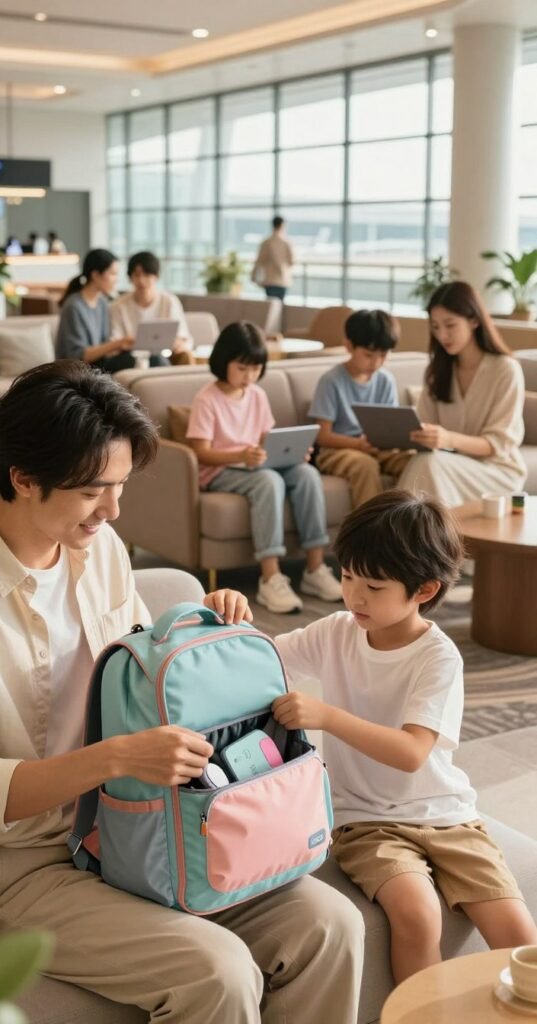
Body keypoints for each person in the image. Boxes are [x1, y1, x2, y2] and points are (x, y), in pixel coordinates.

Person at [0, 360, 364, 1024]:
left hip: (141, 828)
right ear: (23, 479)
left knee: (331, 927)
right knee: (217, 974)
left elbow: (139, 675)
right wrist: (115, 759)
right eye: (93, 492)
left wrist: (203, 630)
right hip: (16, 863)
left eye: (118, 487)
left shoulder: (101, 549)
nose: (114, 511)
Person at [272, 490, 537, 984]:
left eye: (372, 585)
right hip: (365, 821)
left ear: (423, 590)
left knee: (520, 936)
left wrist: (326, 715)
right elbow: (259, 655)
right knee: (417, 915)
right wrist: (226, 613)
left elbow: (413, 752)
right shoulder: (335, 631)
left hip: (447, 814)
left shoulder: (438, 658)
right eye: (348, 575)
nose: (354, 596)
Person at [186, 321, 342, 613]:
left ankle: (315, 569)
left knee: (307, 474)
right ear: (223, 361)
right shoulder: (207, 399)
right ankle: (270, 577)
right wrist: (241, 457)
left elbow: (266, 438)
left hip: (256, 463)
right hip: (221, 471)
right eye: (243, 368)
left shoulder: (257, 395)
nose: (250, 376)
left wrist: (292, 452)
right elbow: (201, 452)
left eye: (256, 369)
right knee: (268, 481)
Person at [397, 281, 526, 505]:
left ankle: (399, 536)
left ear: (474, 321)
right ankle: (417, 537)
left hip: (497, 471)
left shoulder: (505, 370)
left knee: (429, 465)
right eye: (435, 327)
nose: (442, 335)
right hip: (448, 464)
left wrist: (448, 439)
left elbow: (496, 444)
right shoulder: (437, 371)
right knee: (426, 462)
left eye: (450, 325)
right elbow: (425, 426)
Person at [310, 309, 414, 509]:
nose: (376, 363)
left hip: (377, 447)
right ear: (348, 345)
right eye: (368, 355)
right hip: (337, 451)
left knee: (414, 461)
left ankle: (412, 524)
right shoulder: (331, 381)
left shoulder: (385, 380)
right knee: (364, 465)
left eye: (383, 355)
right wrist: (358, 445)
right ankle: (370, 534)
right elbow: (322, 436)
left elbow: (389, 425)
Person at [56, 249, 138, 374]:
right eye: (112, 274)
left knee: (146, 358)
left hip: (97, 365)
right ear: (95, 275)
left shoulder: (102, 302)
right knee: (140, 361)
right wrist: (118, 344)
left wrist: (122, 346)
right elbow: (79, 355)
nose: (115, 280)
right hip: (77, 371)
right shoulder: (74, 306)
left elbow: (104, 346)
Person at [110, 250, 194, 364]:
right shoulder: (118, 305)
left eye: (147, 275)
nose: (141, 280)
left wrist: (179, 344)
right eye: (137, 275)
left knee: (182, 356)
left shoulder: (169, 301)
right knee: (157, 360)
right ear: (130, 277)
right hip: (130, 357)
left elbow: (184, 337)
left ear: (156, 276)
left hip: (167, 354)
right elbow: (115, 342)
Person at [251, 216, 295, 302]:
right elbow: (292, 261)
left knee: (271, 306)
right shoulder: (287, 243)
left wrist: (253, 276)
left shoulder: (266, 242)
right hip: (283, 280)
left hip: (269, 280)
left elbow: (259, 261)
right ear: (283, 226)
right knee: (280, 306)